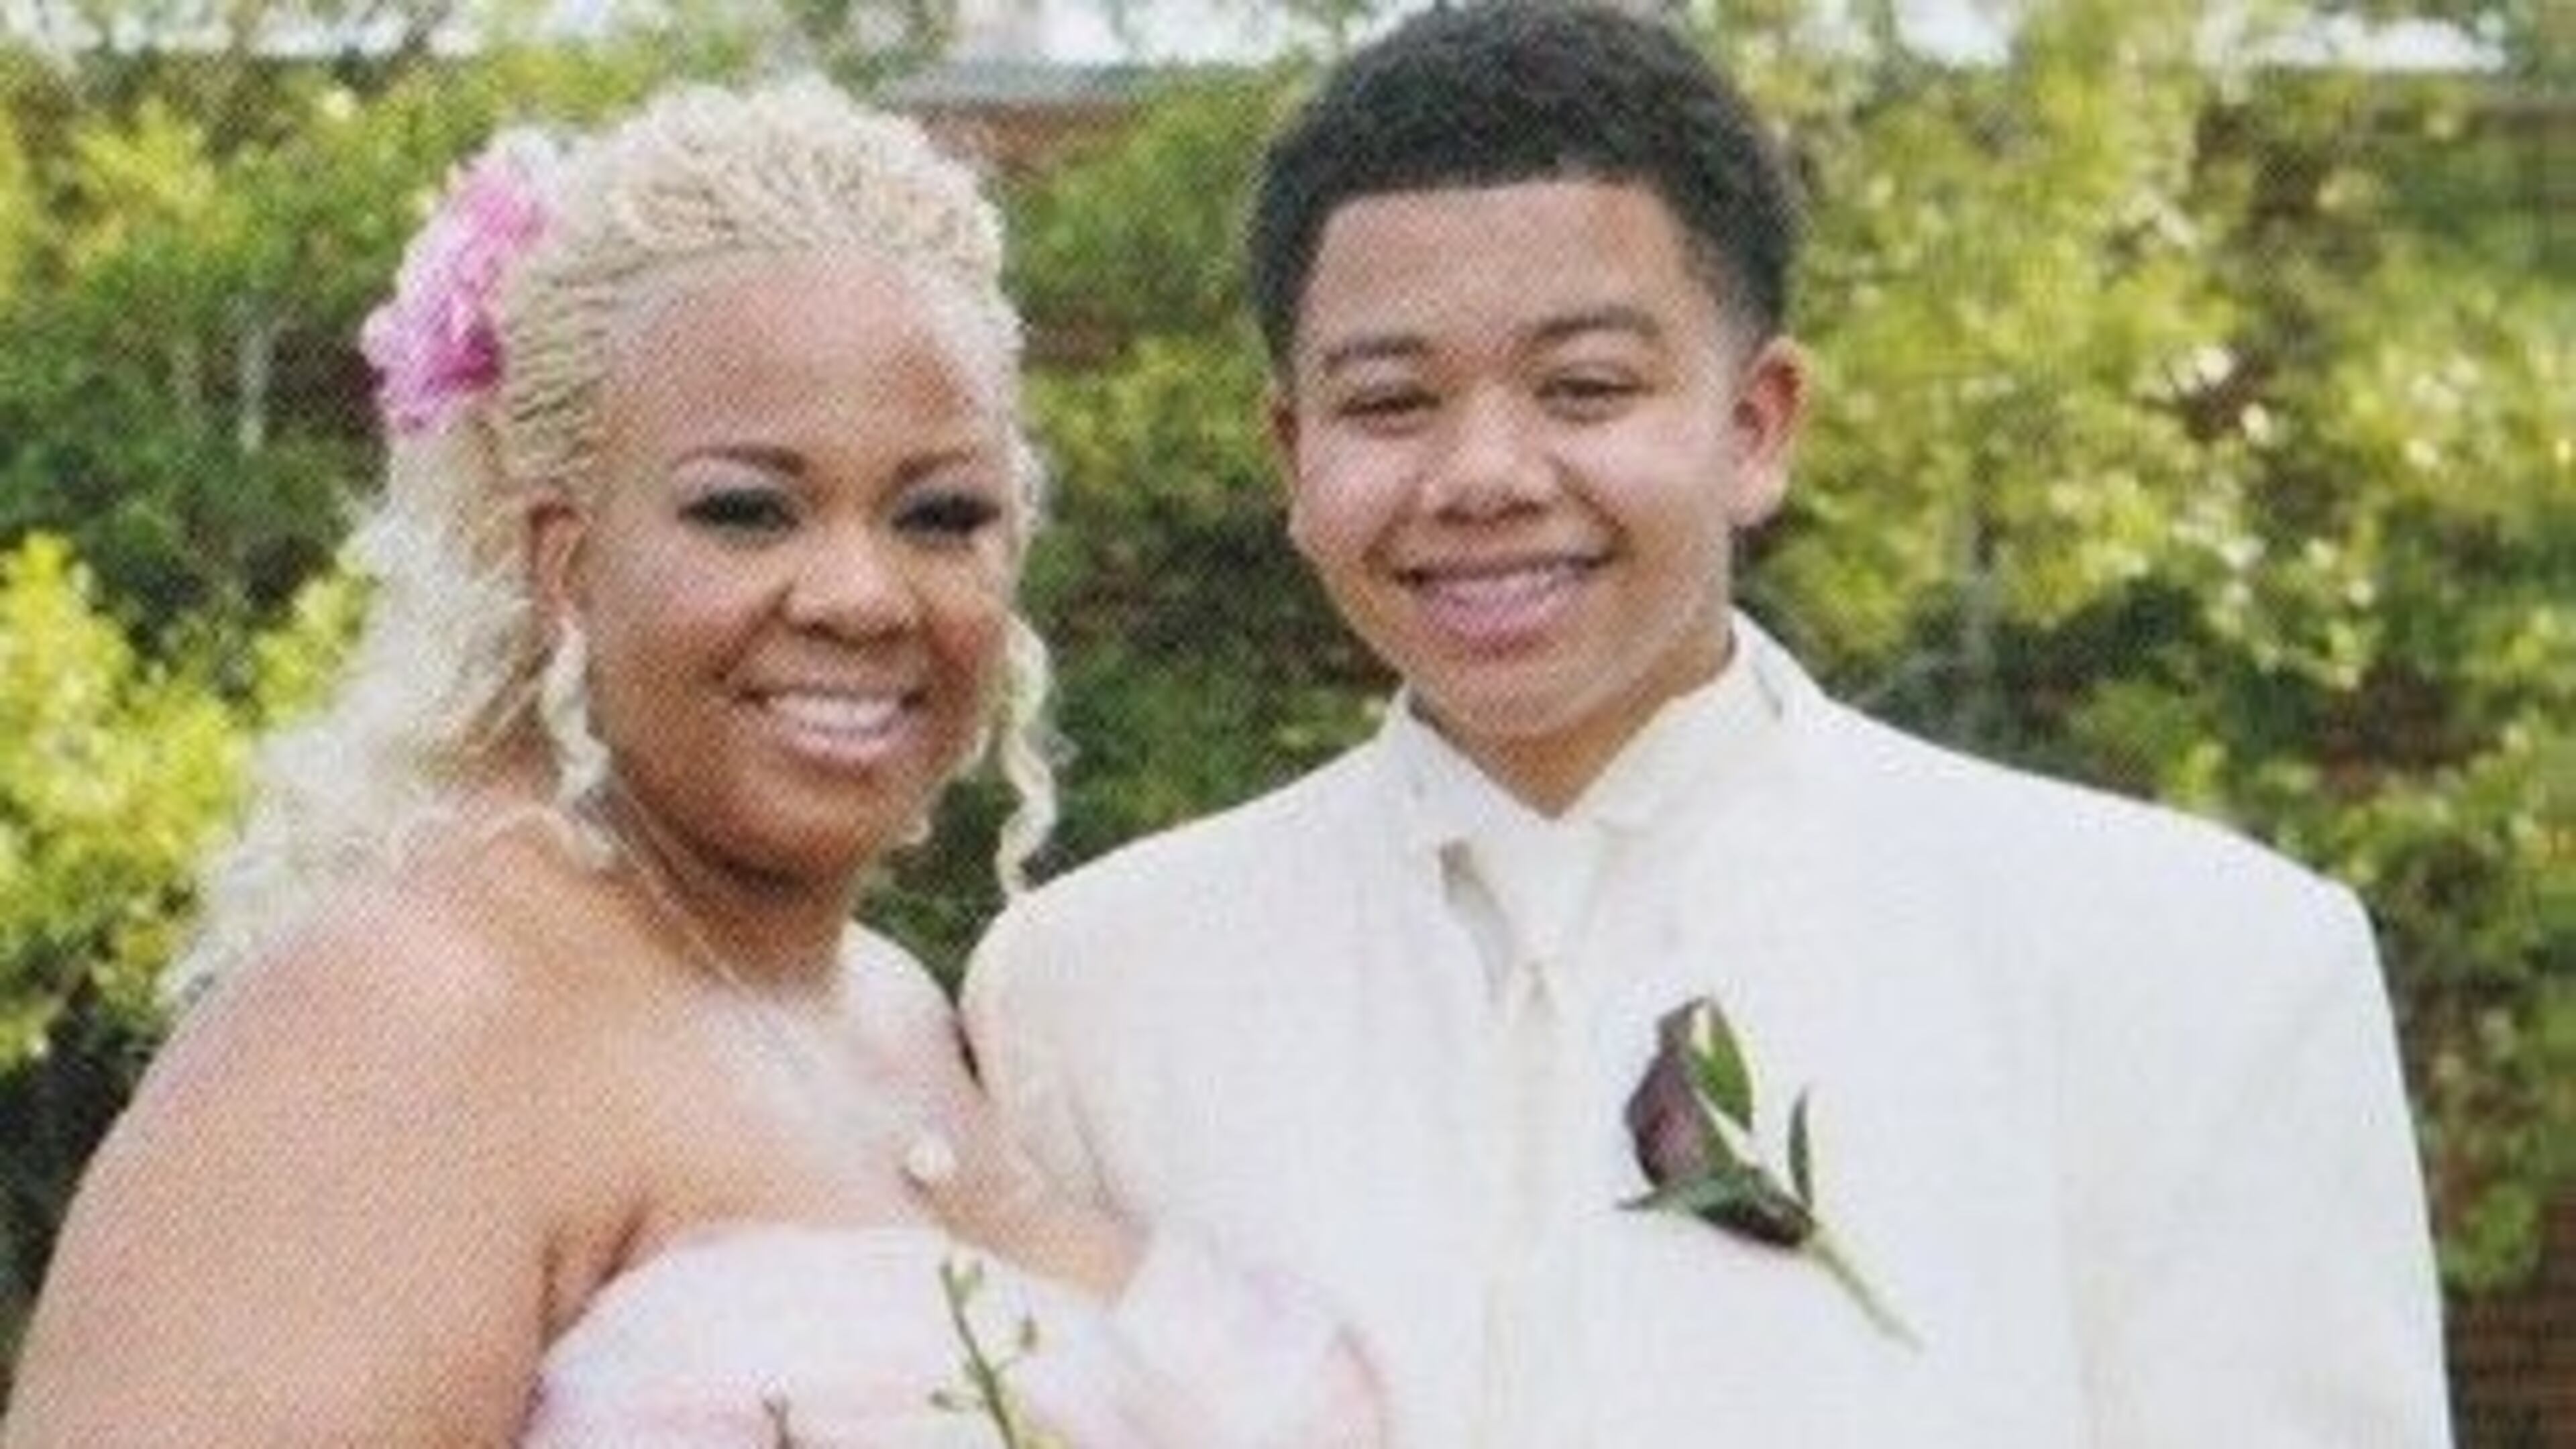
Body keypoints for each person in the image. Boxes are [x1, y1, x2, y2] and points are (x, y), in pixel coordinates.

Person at [963, 3, 2454, 1445]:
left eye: (1586, 386)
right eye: (1392, 401)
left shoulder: (2186, 962)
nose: (1483, 473)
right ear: (1294, 452)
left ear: (1757, 427)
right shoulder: (1091, 994)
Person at [5, 78, 1378, 1447]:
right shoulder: (407, 1020)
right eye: (746, 511)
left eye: (940, 515)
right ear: (564, 560)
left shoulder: (903, 1016)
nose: (860, 593)